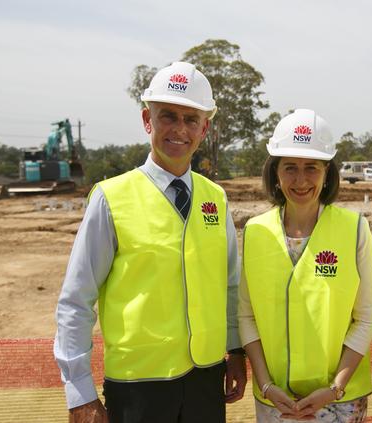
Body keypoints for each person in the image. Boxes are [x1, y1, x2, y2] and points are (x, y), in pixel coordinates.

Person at [54, 61, 246, 423]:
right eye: (168, 116)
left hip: (206, 379)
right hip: (138, 387)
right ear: (148, 120)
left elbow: (230, 284)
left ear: (204, 128)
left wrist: (235, 351)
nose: (180, 129)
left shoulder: (215, 198)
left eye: (191, 119)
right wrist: (79, 393)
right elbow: (76, 300)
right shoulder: (111, 198)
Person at [238, 109, 372, 422]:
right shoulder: (255, 232)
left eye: (311, 168)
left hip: (340, 400)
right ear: (275, 172)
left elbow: (367, 317)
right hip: (276, 400)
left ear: (327, 172)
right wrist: (266, 385)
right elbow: (247, 316)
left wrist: (335, 388)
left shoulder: (353, 229)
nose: (300, 180)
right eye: (290, 168)